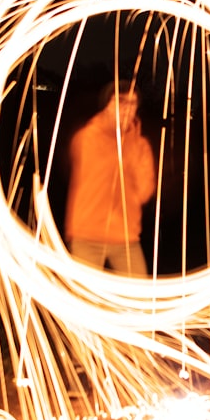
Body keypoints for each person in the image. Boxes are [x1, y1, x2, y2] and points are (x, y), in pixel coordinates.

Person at [64, 81, 156, 276]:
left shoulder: (140, 146)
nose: (127, 109)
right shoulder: (87, 138)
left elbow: (144, 191)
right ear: (107, 105)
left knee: (139, 298)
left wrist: (133, 148)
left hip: (125, 237)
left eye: (133, 103)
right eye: (121, 102)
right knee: (84, 300)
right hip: (86, 236)